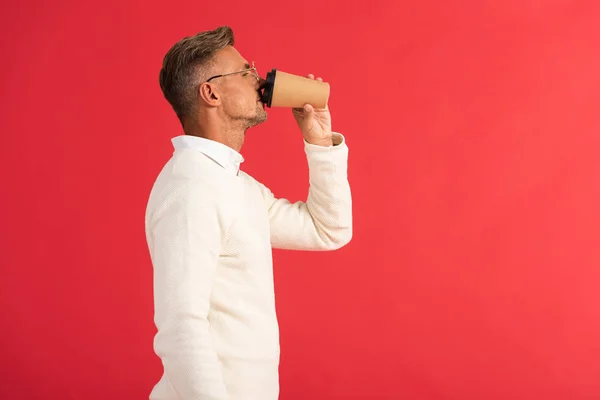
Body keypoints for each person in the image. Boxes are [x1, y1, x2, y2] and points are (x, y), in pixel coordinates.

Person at [144, 25, 353, 400]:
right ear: (211, 92)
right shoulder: (190, 187)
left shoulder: (234, 185)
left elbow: (328, 230)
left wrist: (319, 142)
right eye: (245, 72)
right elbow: (180, 327)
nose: (259, 79)